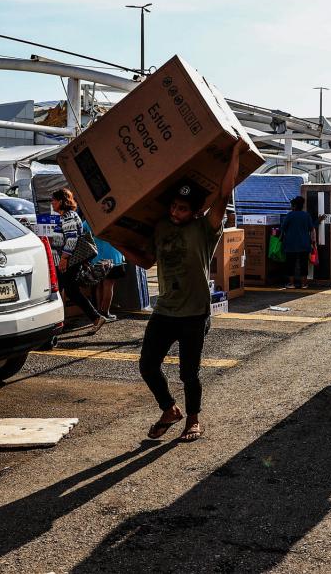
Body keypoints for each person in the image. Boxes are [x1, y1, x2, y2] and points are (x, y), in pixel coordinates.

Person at [117, 141, 244, 442]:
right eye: (174, 205)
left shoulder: (205, 228)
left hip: (194, 313)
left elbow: (223, 193)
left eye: (183, 208)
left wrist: (235, 153)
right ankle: (169, 410)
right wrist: (115, 241)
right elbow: (147, 259)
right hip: (165, 310)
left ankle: (193, 420)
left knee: (189, 374)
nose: (175, 211)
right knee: (148, 365)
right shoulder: (161, 226)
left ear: (195, 210)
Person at [50, 189, 106, 333]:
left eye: (54, 200)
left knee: (66, 290)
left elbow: (71, 238)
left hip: (68, 261)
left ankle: (57, 323)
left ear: (62, 201)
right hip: (66, 261)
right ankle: (94, 318)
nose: (52, 203)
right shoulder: (64, 215)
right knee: (67, 290)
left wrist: (64, 259)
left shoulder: (68, 216)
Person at [83, 220, 127, 321]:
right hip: (113, 256)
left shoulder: (89, 220)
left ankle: (99, 311)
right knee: (109, 285)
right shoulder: (113, 218)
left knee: (99, 284)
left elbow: (83, 231)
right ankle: (105, 312)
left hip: (96, 257)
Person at [279, 196, 317, 289]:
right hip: (304, 244)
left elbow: (283, 228)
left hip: (290, 244)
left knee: (290, 264)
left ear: (295, 206)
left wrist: (281, 237)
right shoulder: (306, 215)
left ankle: (291, 284)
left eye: (292, 205)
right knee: (304, 264)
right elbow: (312, 229)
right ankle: (304, 284)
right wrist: (313, 242)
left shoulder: (290, 215)